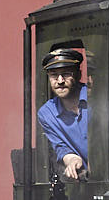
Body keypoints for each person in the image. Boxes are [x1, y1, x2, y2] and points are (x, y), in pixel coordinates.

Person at [36, 44, 92, 181]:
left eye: (66, 74)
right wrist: (71, 159)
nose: (60, 81)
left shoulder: (96, 98)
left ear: (78, 75)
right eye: (54, 75)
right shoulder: (46, 114)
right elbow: (60, 146)